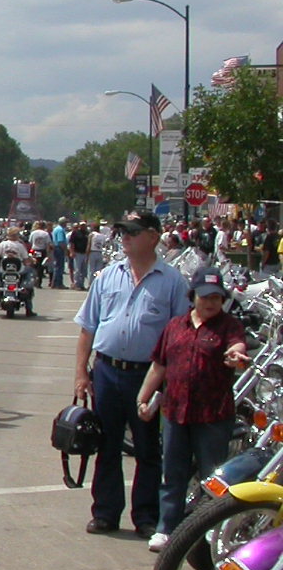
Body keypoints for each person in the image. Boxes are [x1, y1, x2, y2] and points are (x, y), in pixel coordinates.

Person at [73, 211, 189, 537]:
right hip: (107, 372)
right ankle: (105, 513)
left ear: (153, 237)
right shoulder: (108, 276)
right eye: (122, 231)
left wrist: (167, 384)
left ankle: (146, 516)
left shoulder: (172, 282)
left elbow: (181, 336)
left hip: (147, 376)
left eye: (133, 232)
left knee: (148, 449)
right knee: (106, 444)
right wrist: (81, 373)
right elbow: (88, 328)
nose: (125, 237)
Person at [135, 266, 247, 551]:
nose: (211, 303)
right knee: (173, 474)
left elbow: (237, 346)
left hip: (213, 416)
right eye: (205, 296)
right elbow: (159, 365)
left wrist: (236, 355)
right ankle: (166, 528)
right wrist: (143, 398)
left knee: (213, 477)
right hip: (175, 412)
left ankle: (209, 533)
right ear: (193, 296)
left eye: (216, 297)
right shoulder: (176, 326)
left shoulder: (229, 325)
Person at [67, 219, 91, 290]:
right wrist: (72, 252)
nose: (83, 226)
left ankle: (81, 284)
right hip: (77, 253)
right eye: (81, 225)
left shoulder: (87, 233)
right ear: (79, 226)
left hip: (85, 253)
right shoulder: (75, 233)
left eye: (84, 225)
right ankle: (76, 284)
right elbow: (72, 243)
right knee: (77, 270)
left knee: (84, 270)